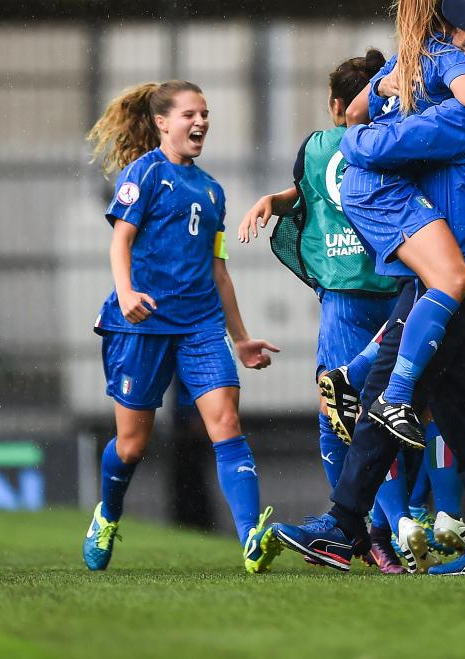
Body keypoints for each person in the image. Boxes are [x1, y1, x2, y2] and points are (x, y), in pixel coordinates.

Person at [272, 0, 465, 575]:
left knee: (387, 399)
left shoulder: (460, 118)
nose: (446, 42)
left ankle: (343, 526)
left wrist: (390, 97)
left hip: (439, 279)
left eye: (456, 37)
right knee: (463, 412)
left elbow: (363, 143)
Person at [83, 80, 281, 574]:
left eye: (206, 114)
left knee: (227, 422)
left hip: (199, 326)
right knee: (131, 444)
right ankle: (107, 514)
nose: (200, 123)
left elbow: (219, 270)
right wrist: (126, 294)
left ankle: (252, 539)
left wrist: (241, 337)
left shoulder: (212, 189)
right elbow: (120, 242)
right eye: (190, 114)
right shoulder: (143, 174)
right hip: (142, 326)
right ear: (162, 122)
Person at [337, 0, 465, 448]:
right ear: (454, 23)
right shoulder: (447, 58)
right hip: (386, 183)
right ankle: (388, 397)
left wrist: (382, 90)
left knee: (425, 303)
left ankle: (359, 380)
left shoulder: (408, 56)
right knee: (448, 284)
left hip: (383, 182)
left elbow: (355, 112)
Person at [235, 49, 409, 572]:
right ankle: (408, 522)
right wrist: (281, 197)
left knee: (338, 414)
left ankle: (356, 528)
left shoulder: (315, 147)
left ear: (337, 104)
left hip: (344, 296)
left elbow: (315, 188)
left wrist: (276, 199)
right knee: (401, 408)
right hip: (400, 289)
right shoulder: (400, 141)